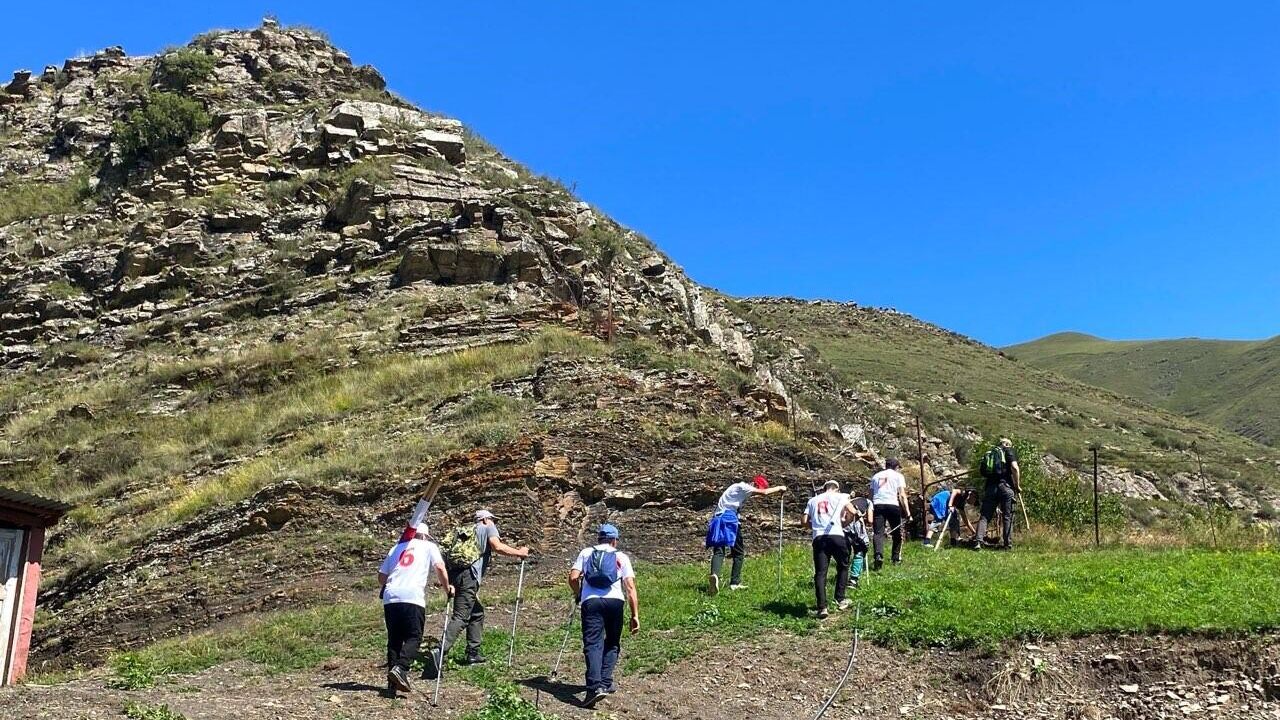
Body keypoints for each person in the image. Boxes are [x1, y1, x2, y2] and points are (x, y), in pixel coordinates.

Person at [431, 509, 530, 671]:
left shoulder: (463, 532)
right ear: (484, 519)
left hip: (454, 574)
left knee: (477, 612)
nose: (494, 522)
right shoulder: (487, 527)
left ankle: (473, 652)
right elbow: (497, 546)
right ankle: (440, 651)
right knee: (461, 616)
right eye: (492, 519)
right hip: (469, 575)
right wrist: (519, 553)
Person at [377, 521, 453, 694]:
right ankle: (401, 668)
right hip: (412, 596)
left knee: (395, 639)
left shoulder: (397, 547)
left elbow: (382, 577)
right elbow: (440, 567)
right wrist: (447, 588)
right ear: (425, 535)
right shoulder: (428, 546)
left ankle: (392, 685)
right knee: (414, 636)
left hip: (391, 597)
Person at [569, 523, 640, 707]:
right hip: (616, 601)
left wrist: (579, 594)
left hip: (591, 602)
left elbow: (573, 578)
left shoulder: (586, 553)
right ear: (614, 540)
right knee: (612, 642)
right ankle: (605, 683)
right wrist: (635, 615)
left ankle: (593, 689)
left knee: (593, 643)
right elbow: (630, 588)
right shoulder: (620, 556)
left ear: (599, 538)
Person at [706, 474, 788, 595]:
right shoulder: (744, 487)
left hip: (717, 518)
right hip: (729, 519)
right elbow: (764, 492)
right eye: (757, 487)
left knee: (719, 551)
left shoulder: (734, 488)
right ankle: (735, 582)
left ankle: (715, 576)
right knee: (738, 552)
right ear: (754, 484)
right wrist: (779, 488)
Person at [804, 480, 855, 618]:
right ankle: (840, 598)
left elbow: (804, 521)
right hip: (837, 535)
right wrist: (845, 522)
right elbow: (852, 511)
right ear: (837, 488)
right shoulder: (842, 497)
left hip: (819, 537)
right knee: (843, 566)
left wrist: (815, 528)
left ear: (825, 488)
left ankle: (822, 607)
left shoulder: (813, 500)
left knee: (820, 573)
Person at [975, 439, 1021, 551]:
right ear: (1007, 444)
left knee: (985, 516)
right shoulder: (1009, 451)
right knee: (1007, 516)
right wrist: (1017, 485)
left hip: (990, 487)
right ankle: (1007, 544)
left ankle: (978, 542)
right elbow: (1014, 468)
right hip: (1006, 488)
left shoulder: (991, 453)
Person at [870, 458, 912, 569]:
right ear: (896, 467)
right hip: (893, 505)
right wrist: (908, 512)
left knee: (878, 532)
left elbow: (870, 495)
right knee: (897, 533)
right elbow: (902, 495)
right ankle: (895, 558)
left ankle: (878, 555)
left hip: (878, 504)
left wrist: (870, 509)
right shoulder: (898, 476)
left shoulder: (875, 476)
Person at [845, 488, 873, 589]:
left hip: (843, 525)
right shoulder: (868, 502)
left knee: (845, 552)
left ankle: (842, 575)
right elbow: (870, 520)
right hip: (856, 525)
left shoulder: (848, 501)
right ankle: (853, 579)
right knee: (860, 550)